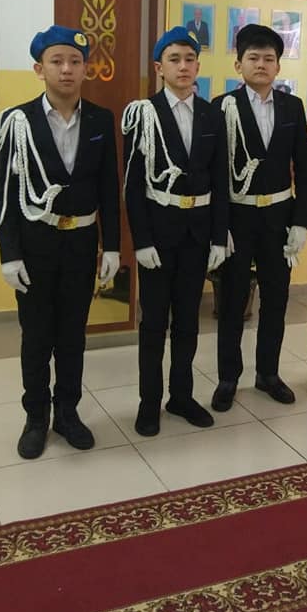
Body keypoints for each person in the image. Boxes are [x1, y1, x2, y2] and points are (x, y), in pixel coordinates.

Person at [0, 25, 120, 459]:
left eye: (75, 61)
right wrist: (9, 254)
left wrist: (112, 245)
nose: (66, 69)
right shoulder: (17, 121)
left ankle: (67, 412)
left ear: (86, 69)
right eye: (57, 61)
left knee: (72, 335)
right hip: (35, 246)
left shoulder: (101, 119)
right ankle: (36, 417)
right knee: (36, 337)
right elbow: (5, 194)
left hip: (81, 244)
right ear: (39, 69)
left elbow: (109, 188)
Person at [122, 25, 228, 437]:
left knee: (188, 321)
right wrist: (141, 241)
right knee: (153, 324)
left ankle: (181, 396)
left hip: (197, 234)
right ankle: (148, 403)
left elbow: (221, 180)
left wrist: (219, 236)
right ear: (158, 68)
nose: (183, 67)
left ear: (198, 66)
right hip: (159, 233)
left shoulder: (212, 115)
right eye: (174, 60)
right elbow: (132, 185)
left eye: (189, 60)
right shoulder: (143, 114)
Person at [211, 24, 307, 412]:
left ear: (278, 66)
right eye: (253, 58)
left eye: (269, 58)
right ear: (238, 64)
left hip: (278, 218)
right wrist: (219, 228)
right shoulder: (222, 106)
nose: (261, 64)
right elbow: (215, 173)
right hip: (237, 217)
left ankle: (268, 374)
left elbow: (304, 169)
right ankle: (228, 377)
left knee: (276, 299)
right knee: (232, 300)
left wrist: (301, 222)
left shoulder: (292, 107)